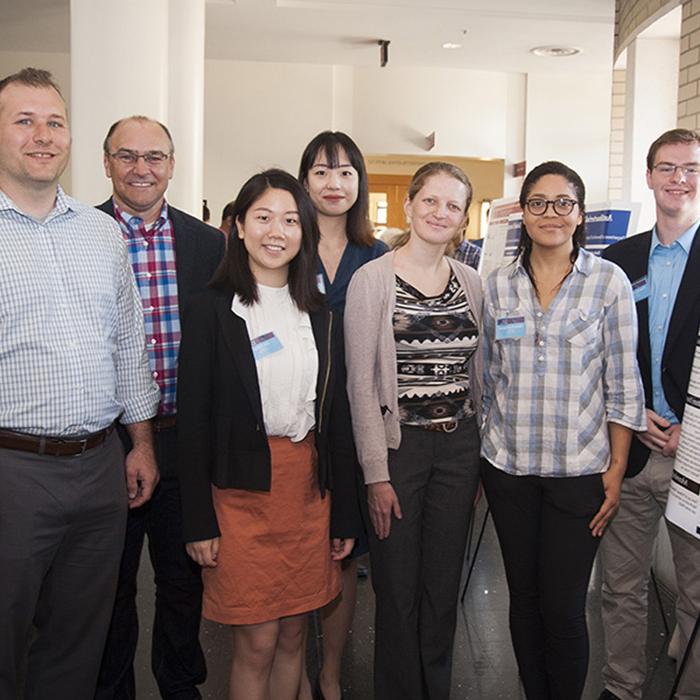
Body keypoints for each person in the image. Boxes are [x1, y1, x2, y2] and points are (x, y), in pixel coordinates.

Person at [0, 67, 160, 700]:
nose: (43, 135)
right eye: (23, 120)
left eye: (55, 122)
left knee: (79, 640)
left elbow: (128, 344)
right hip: (12, 471)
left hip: (99, 468)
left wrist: (141, 443)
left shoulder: (101, 234)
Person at [177, 169, 361, 700]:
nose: (275, 231)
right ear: (237, 226)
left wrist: (344, 512)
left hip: (306, 493)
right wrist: (198, 521)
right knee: (256, 641)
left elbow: (338, 421)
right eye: (262, 218)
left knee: (293, 636)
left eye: (288, 219)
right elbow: (193, 423)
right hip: (238, 495)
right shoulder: (212, 310)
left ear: (305, 230)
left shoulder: (321, 315)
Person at [480, 160, 645, 700]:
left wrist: (616, 470)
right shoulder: (497, 286)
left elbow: (623, 383)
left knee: (565, 606)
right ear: (523, 214)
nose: (550, 214)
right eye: (538, 203)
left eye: (563, 203)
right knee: (523, 601)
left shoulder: (608, 282)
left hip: (581, 474)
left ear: (579, 215)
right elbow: (487, 377)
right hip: (510, 470)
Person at [95, 116, 225, 700]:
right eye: (127, 156)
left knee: (182, 579)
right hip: (108, 442)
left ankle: (179, 685)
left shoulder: (209, 244)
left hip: (184, 437)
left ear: (172, 164)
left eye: (154, 156)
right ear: (106, 164)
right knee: (110, 582)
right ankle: (113, 688)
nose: (141, 168)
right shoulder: (81, 233)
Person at [344, 161, 483, 700]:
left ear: (463, 219)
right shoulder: (372, 280)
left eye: (452, 205)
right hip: (398, 450)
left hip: (458, 446)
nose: (439, 212)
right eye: (430, 201)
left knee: (443, 588)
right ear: (409, 205)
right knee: (397, 588)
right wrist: (376, 475)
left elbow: (478, 374)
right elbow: (360, 386)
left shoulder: (471, 282)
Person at [598, 128, 700, 700]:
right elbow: (603, 356)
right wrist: (634, 415)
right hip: (630, 450)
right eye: (667, 167)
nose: (678, 178)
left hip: (696, 457)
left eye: (690, 168)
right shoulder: (619, 260)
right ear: (649, 176)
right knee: (621, 586)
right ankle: (623, 687)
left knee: (696, 592)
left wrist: (695, 427)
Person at [296, 129, 387, 700]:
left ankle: (329, 670)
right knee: (295, 545)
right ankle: (294, 668)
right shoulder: (284, 243)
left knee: (344, 548)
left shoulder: (378, 258)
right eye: (322, 171)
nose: (334, 183)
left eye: (346, 171)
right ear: (304, 180)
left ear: (360, 182)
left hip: (354, 425)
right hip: (293, 421)